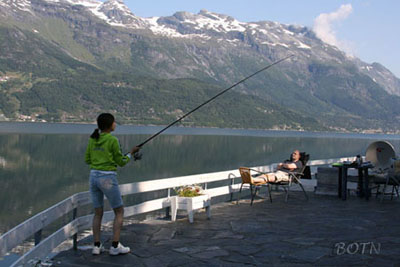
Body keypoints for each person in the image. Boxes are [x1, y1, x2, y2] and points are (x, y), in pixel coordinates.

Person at [85, 113, 140, 256]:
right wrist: (131, 153)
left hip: (93, 177)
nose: (115, 124)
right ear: (110, 125)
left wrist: (99, 161)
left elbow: (87, 159)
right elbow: (121, 162)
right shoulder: (112, 140)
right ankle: (115, 246)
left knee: (98, 213)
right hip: (107, 178)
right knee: (119, 211)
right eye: (114, 122)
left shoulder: (93, 139)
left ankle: (96, 246)